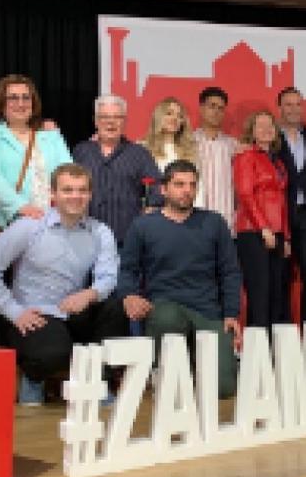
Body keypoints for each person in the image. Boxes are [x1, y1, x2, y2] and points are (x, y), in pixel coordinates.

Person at [0, 164, 123, 406]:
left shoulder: (100, 231)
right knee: (52, 353)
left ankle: (98, 384)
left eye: (82, 190)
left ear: (90, 194)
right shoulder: (29, 227)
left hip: (73, 308)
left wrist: (91, 293)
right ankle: (34, 379)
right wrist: (14, 311)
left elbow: (108, 276)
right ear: (52, 193)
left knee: (114, 309)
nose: (76, 196)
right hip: (35, 313)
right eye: (68, 190)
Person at [115, 159, 243, 395]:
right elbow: (128, 269)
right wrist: (129, 295)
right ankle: (163, 371)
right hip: (166, 305)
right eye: (179, 184)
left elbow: (230, 271)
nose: (187, 191)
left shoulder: (214, 222)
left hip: (207, 309)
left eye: (192, 185)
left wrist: (231, 313)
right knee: (167, 319)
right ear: (164, 189)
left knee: (223, 388)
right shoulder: (143, 226)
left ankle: (198, 364)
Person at [0, 74, 71, 236]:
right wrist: (20, 207)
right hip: (6, 225)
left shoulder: (50, 135)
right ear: (1, 103)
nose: (21, 103)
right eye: (13, 98)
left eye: (26, 98)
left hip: (50, 224)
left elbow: (68, 173)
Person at [233, 109, 292, 333]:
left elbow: (282, 200)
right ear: (252, 132)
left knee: (277, 294)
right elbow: (246, 195)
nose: (267, 129)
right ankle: (258, 354)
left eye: (271, 125)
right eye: (261, 126)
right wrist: (264, 228)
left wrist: (285, 236)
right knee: (259, 294)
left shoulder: (278, 162)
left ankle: (272, 354)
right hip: (252, 232)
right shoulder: (245, 156)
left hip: (276, 232)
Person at [73, 94, 159, 246]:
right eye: (104, 117)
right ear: (96, 121)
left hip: (127, 240)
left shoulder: (139, 153)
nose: (110, 122)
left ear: (125, 121)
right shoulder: (81, 151)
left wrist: (151, 209)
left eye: (117, 117)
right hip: (85, 237)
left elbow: (157, 185)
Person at [274, 87, 306, 321]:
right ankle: (284, 335)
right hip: (280, 214)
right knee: (281, 277)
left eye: (298, 104)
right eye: (288, 104)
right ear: (280, 108)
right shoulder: (271, 138)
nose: (294, 109)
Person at [192, 85, 239, 225]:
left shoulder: (233, 146)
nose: (216, 112)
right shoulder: (188, 143)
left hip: (226, 219)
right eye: (212, 106)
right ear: (201, 109)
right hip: (195, 218)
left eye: (221, 108)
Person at [143, 95, 199, 178]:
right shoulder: (143, 148)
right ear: (159, 117)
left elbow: (199, 185)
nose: (174, 118)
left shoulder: (190, 150)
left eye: (180, 116)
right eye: (169, 113)